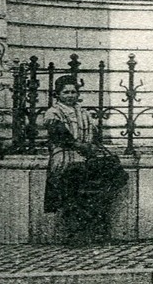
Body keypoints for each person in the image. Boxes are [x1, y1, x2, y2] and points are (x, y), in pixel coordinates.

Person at [42, 74, 127, 244]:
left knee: (112, 178)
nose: (70, 95)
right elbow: (62, 137)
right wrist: (83, 146)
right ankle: (76, 233)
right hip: (65, 156)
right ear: (58, 94)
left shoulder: (84, 113)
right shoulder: (53, 113)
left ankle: (96, 228)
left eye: (73, 92)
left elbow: (95, 137)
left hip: (87, 156)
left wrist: (93, 147)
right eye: (66, 92)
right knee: (75, 187)